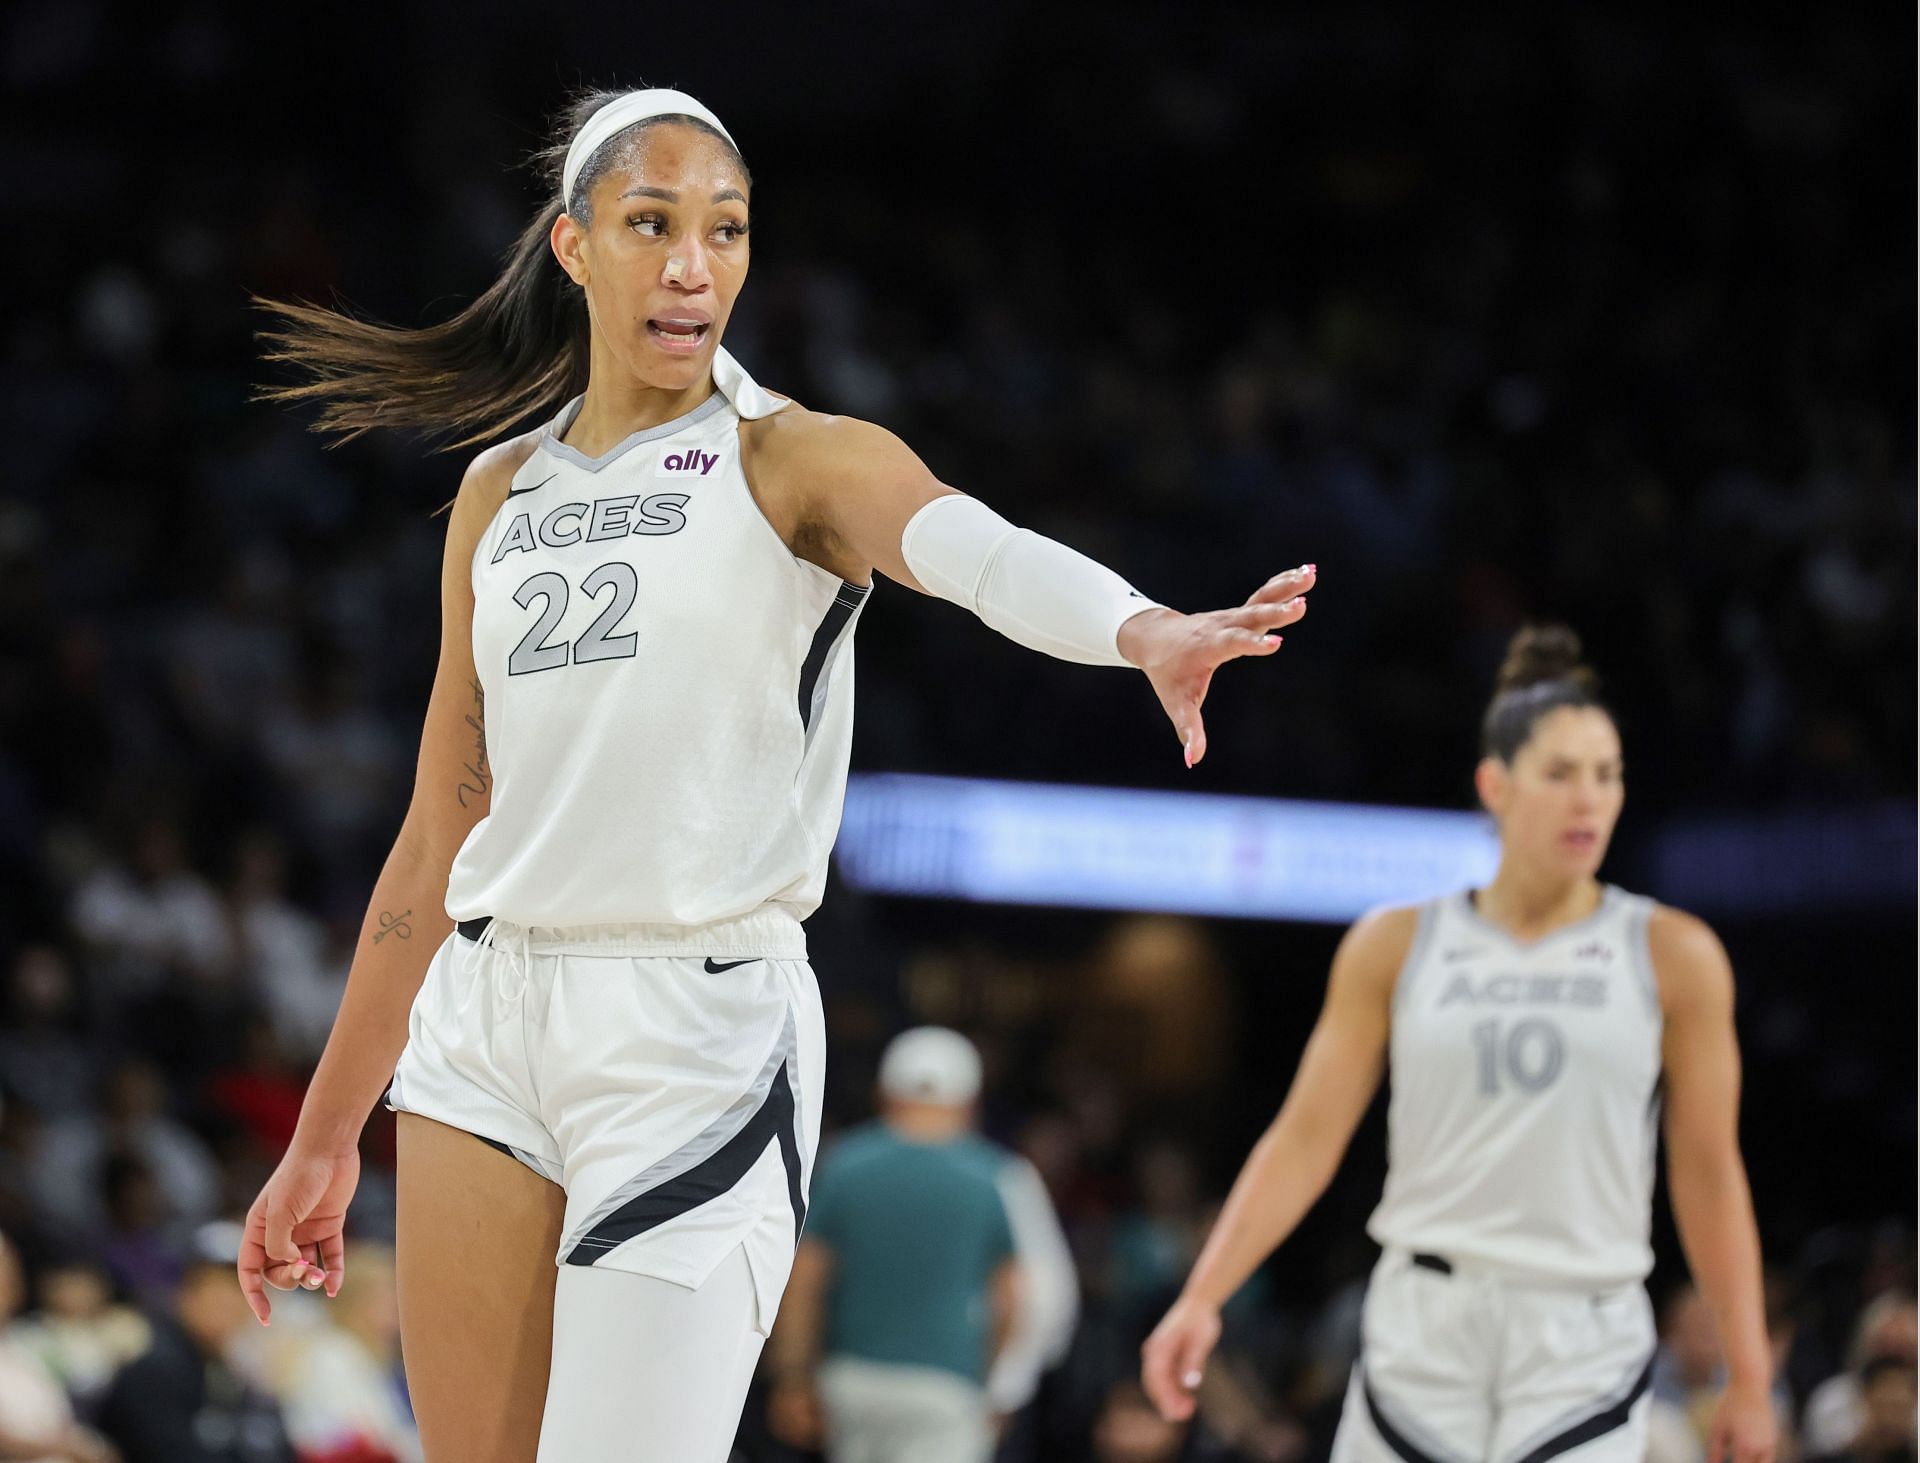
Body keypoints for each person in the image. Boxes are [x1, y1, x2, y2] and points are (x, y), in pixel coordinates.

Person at [236, 86, 1316, 1463]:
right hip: (486, 1021)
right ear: (575, 246)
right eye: (652, 223)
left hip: (696, 1029)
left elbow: (972, 550)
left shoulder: (791, 457)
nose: (695, 262)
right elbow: (443, 820)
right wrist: (326, 1134)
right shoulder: (497, 493)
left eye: (726, 229)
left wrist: (1138, 627)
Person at [1141, 625, 1777, 1463]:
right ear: (1496, 784)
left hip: (1583, 1328)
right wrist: (1203, 1295)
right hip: (1423, 1318)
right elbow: (1304, 1138)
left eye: (1607, 774)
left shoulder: (1673, 953)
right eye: (1560, 773)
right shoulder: (1398, 941)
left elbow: (1707, 1168)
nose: (1589, 798)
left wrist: (1752, 1374)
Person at [765, 1027, 1077, 1463]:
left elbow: (805, 1279)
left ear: (885, 1094)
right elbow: (1020, 1297)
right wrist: (1000, 1389)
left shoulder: (844, 1163)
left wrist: (794, 1378)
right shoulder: (997, 1177)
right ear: (970, 1102)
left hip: (852, 1380)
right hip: (946, 1384)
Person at [97, 1222, 292, 1463]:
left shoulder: (237, 1373)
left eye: (238, 1288)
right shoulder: (153, 1371)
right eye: (210, 1285)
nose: (225, 1301)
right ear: (182, 1294)